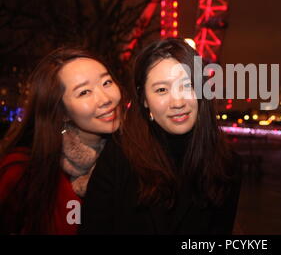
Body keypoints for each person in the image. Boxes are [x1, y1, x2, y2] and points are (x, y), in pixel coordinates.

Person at [80, 38, 242, 234]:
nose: (177, 102)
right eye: (162, 90)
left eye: (187, 85)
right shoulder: (119, 156)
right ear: (145, 100)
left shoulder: (227, 164)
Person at [0, 47, 123, 234]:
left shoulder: (135, 157)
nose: (105, 99)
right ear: (62, 112)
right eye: (84, 92)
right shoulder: (23, 171)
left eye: (106, 82)